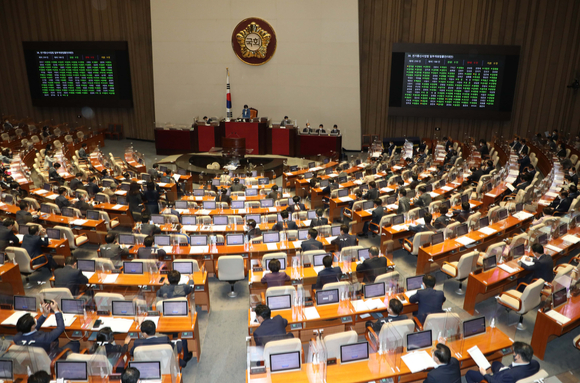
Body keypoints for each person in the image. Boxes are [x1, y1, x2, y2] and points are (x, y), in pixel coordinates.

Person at [14, 300, 80, 355]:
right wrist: (56, 310)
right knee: (75, 343)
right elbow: (60, 328)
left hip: (33, 360)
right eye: (34, 319)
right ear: (32, 326)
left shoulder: (16, 338)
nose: (35, 319)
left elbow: (33, 329)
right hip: (52, 358)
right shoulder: (44, 338)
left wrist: (45, 314)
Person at [465, 342, 540, 383]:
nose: (513, 353)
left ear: (518, 356)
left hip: (497, 379)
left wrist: (484, 374)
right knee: (495, 363)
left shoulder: (510, 375)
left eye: (514, 352)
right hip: (507, 371)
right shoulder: (535, 363)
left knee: (469, 373)